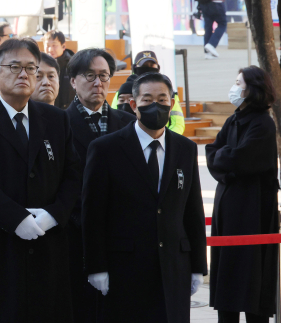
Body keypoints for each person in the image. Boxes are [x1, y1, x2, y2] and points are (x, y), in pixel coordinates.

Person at [0, 38, 81, 323]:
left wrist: (53, 215)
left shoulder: (56, 119)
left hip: (48, 240)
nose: (24, 74)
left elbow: (73, 174)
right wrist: (16, 219)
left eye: (31, 68)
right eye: (14, 67)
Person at [82, 72, 207, 323]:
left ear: (171, 104)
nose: (155, 106)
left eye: (162, 99)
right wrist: (96, 266)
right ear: (133, 104)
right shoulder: (106, 148)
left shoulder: (185, 148)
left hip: (173, 266)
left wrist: (197, 266)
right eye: (147, 100)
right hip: (125, 267)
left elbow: (193, 210)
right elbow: (93, 212)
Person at [64, 48, 136, 322]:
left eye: (104, 76)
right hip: (76, 234)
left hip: (123, 237)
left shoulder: (129, 124)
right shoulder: (60, 124)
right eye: (90, 76)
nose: (98, 83)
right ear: (72, 81)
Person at [206, 66, 279, 323]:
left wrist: (224, 159)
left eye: (239, 82)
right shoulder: (234, 118)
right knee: (227, 275)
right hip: (228, 209)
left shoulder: (262, 124)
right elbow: (212, 152)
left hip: (251, 211)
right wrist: (224, 160)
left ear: (252, 89)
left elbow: (241, 159)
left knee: (250, 278)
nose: (234, 87)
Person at [112, 51, 185, 135]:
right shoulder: (123, 92)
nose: (148, 68)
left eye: (152, 65)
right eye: (144, 66)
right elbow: (115, 119)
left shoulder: (168, 92)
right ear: (135, 68)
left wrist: (166, 139)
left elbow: (178, 123)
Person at [43, 30, 75, 109]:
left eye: (54, 45)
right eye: (47, 45)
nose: (50, 49)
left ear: (63, 46)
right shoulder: (39, 65)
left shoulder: (73, 66)